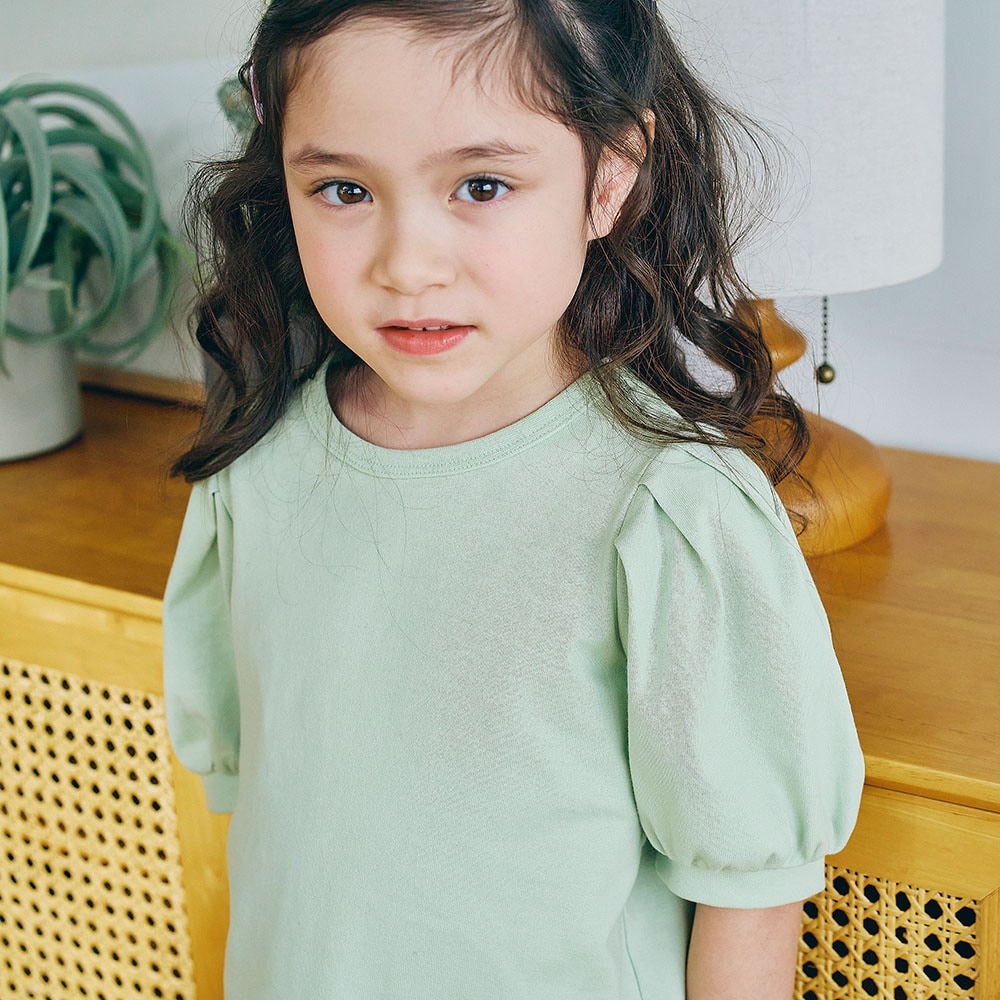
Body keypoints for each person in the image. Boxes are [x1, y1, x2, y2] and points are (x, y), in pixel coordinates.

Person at [163, 1, 864, 997]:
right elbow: (257, 822)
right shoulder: (257, 467)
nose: (408, 265)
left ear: (609, 175)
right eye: (343, 189)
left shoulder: (668, 508)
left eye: (481, 185)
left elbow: (748, 892)